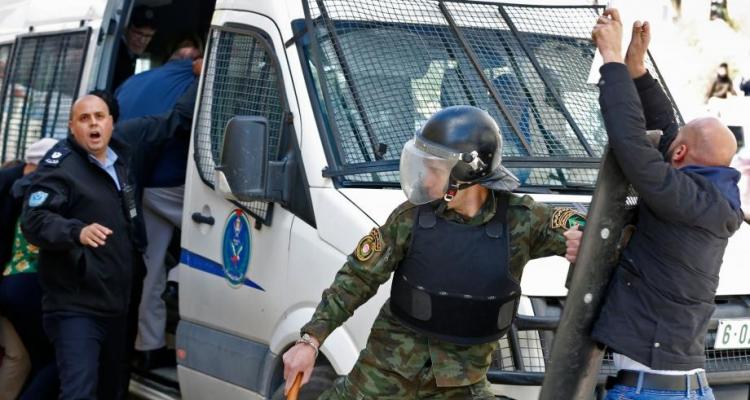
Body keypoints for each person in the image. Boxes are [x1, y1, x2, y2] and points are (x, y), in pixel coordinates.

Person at [282, 105, 585, 399]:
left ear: (466, 173)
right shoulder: (410, 218)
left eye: (435, 170)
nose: (425, 179)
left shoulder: (521, 220)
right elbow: (357, 278)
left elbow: (582, 224)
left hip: (462, 385)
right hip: (385, 376)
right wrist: (310, 341)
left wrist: (584, 238)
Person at [591, 10, 743, 400]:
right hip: (681, 387)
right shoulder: (708, 195)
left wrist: (611, 60)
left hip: (652, 392)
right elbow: (671, 133)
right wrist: (637, 71)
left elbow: (630, 141)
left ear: (678, 155)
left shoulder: (681, 196)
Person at [20, 80, 198, 399]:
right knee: (79, 392)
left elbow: (175, 120)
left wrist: (208, 67)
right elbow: (34, 220)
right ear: (72, 127)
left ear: (111, 122)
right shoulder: (59, 166)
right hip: (75, 306)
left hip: (118, 305)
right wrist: (77, 231)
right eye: (84, 118)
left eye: (99, 117)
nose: (93, 124)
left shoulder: (123, 151)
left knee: (112, 389)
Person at [115, 37, 201, 369]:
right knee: (226, 243)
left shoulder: (135, 81)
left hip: (137, 187)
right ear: (195, 59)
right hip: (171, 185)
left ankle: (148, 345)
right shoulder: (196, 78)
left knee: (150, 270)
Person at [0, 138, 60, 400]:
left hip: (10, 283)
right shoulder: (34, 195)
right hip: (21, 286)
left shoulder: (27, 193)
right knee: (45, 359)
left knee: (21, 357)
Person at [112, 6, 157, 90]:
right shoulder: (114, 53)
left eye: (148, 36)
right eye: (138, 33)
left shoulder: (130, 55)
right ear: (126, 30)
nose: (142, 40)